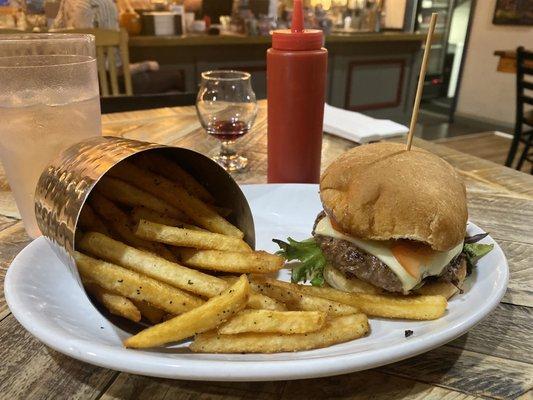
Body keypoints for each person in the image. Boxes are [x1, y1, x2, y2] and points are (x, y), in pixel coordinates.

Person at [51, 0, 185, 94]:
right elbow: (117, 68)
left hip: (73, 85)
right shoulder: (106, 5)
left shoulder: (66, 3)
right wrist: (145, 65)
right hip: (107, 86)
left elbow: (53, 36)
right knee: (176, 77)